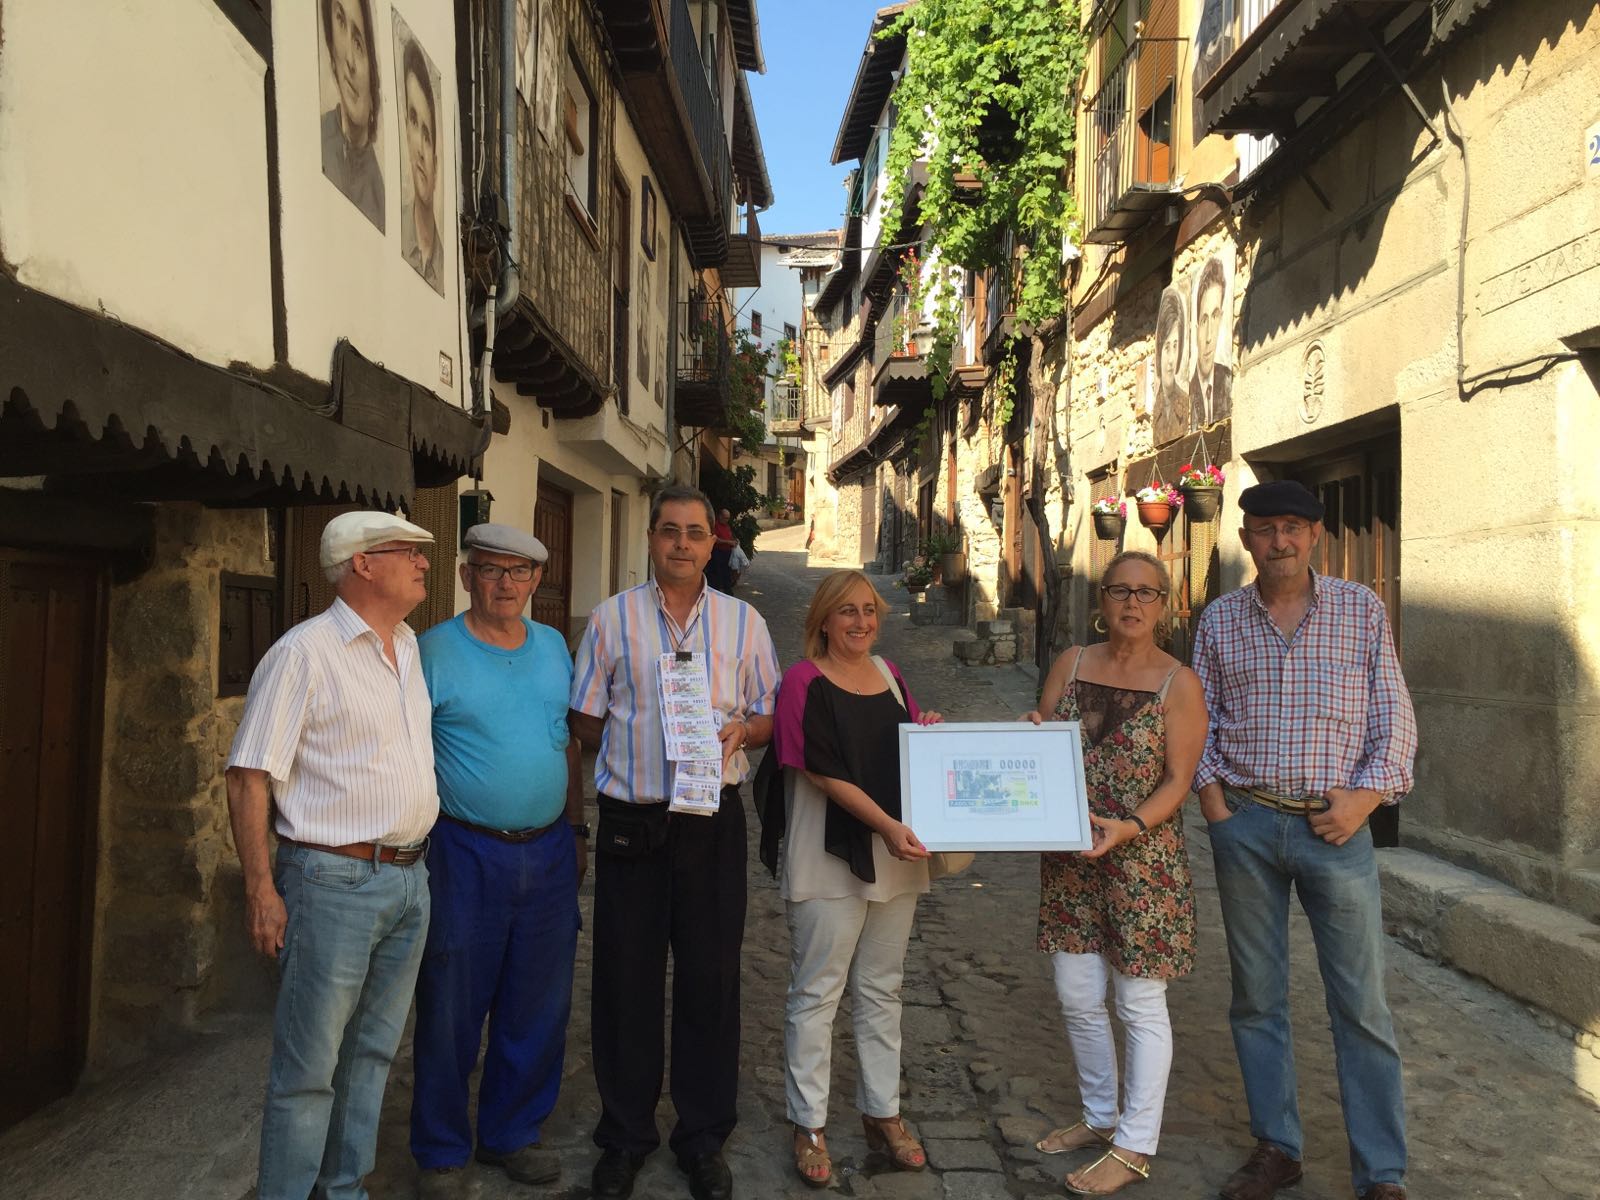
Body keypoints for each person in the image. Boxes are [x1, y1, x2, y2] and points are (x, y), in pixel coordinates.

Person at [1192, 480, 1416, 1200]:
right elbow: (1197, 722)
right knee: (1257, 996)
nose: (1279, 541)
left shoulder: (1361, 611)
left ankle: (1381, 1171)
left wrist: (1364, 802)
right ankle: (1277, 1147)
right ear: (1247, 538)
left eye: (1292, 527)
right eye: (1264, 529)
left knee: (1362, 1005)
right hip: (1247, 827)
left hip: (1335, 826)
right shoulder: (1220, 619)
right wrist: (1216, 808)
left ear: (1315, 535)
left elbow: (1395, 721)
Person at [569, 485, 781, 1200]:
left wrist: (741, 732)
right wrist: (637, 752)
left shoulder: (745, 624)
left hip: (710, 824)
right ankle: (625, 1138)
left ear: (711, 544)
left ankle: (701, 1138)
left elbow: (770, 713)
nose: (682, 544)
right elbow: (587, 719)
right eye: (669, 531)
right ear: (652, 540)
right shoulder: (609, 621)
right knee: (625, 984)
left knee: (710, 982)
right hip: (633, 825)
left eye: (694, 533)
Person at [225, 511, 437, 1200]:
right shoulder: (303, 653)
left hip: (408, 880)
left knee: (371, 1056)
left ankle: (343, 1189)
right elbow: (249, 773)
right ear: (362, 564)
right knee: (309, 1067)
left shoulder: (406, 645)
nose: (424, 562)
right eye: (408, 551)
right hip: (332, 881)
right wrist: (262, 888)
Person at [1022, 550, 1208, 1196]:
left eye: (1147, 593)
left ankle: (1134, 1145)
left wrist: (1127, 826)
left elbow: (1179, 780)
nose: (1132, 603)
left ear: (1165, 603)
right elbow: (1043, 736)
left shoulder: (1177, 683)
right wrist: (1029, 738)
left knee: (1138, 1002)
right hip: (1071, 856)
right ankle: (1101, 1116)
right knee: (1077, 995)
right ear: (1101, 600)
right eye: (1120, 591)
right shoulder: (1070, 663)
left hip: (1141, 861)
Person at [409, 524, 586, 1197]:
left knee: (537, 1001)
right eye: (490, 570)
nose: (505, 583)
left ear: (537, 581)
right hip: (463, 850)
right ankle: (441, 1149)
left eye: (519, 572)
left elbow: (567, 742)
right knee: (451, 1000)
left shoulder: (551, 647)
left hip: (545, 851)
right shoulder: (432, 652)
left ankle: (512, 1131)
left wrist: (576, 829)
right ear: (466, 577)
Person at [769, 571, 944, 1189]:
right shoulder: (803, 681)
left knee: (882, 989)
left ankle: (882, 1112)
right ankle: (808, 1122)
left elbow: (909, 749)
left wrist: (930, 734)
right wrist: (887, 827)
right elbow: (821, 770)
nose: (861, 622)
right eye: (847, 611)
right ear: (823, 619)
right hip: (829, 853)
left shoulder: (892, 676)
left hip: (894, 852)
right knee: (817, 991)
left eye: (869, 610)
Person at [319, 0, 385, 230]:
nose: (349, 60)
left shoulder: (379, 197)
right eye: (340, 21)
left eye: (359, 43)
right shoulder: (316, 138)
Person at [400, 39, 445, 295]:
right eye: (414, 123)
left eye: (427, 136)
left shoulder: (441, 262)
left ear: (436, 165)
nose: (419, 147)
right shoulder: (400, 233)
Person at [1188, 257, 1232, 427]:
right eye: (1204, 320)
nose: (1208, 337)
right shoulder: (1188, 392)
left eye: (1214, 317)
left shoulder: (1226, 379)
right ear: (1196, 326)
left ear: (1221, 317)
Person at [1151, 288, 1189, 447]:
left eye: (1175, 346)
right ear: (1159, 352)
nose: (1171, 360)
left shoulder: (1184, 401)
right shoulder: (1156, 409)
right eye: (1167, 347)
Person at [706, 507, 737, 593]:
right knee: (717, 574)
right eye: (725, 518)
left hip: (727, 552)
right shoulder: (715, 525)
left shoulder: (727, 526)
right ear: (720, 516)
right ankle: (716, 591)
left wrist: (734, 541)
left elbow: (729, 536)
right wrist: (728, 542)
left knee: (726, 573)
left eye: (728, 518)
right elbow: (715, 539)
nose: (726, 520)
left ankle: (727, 590)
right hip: (718, 552)